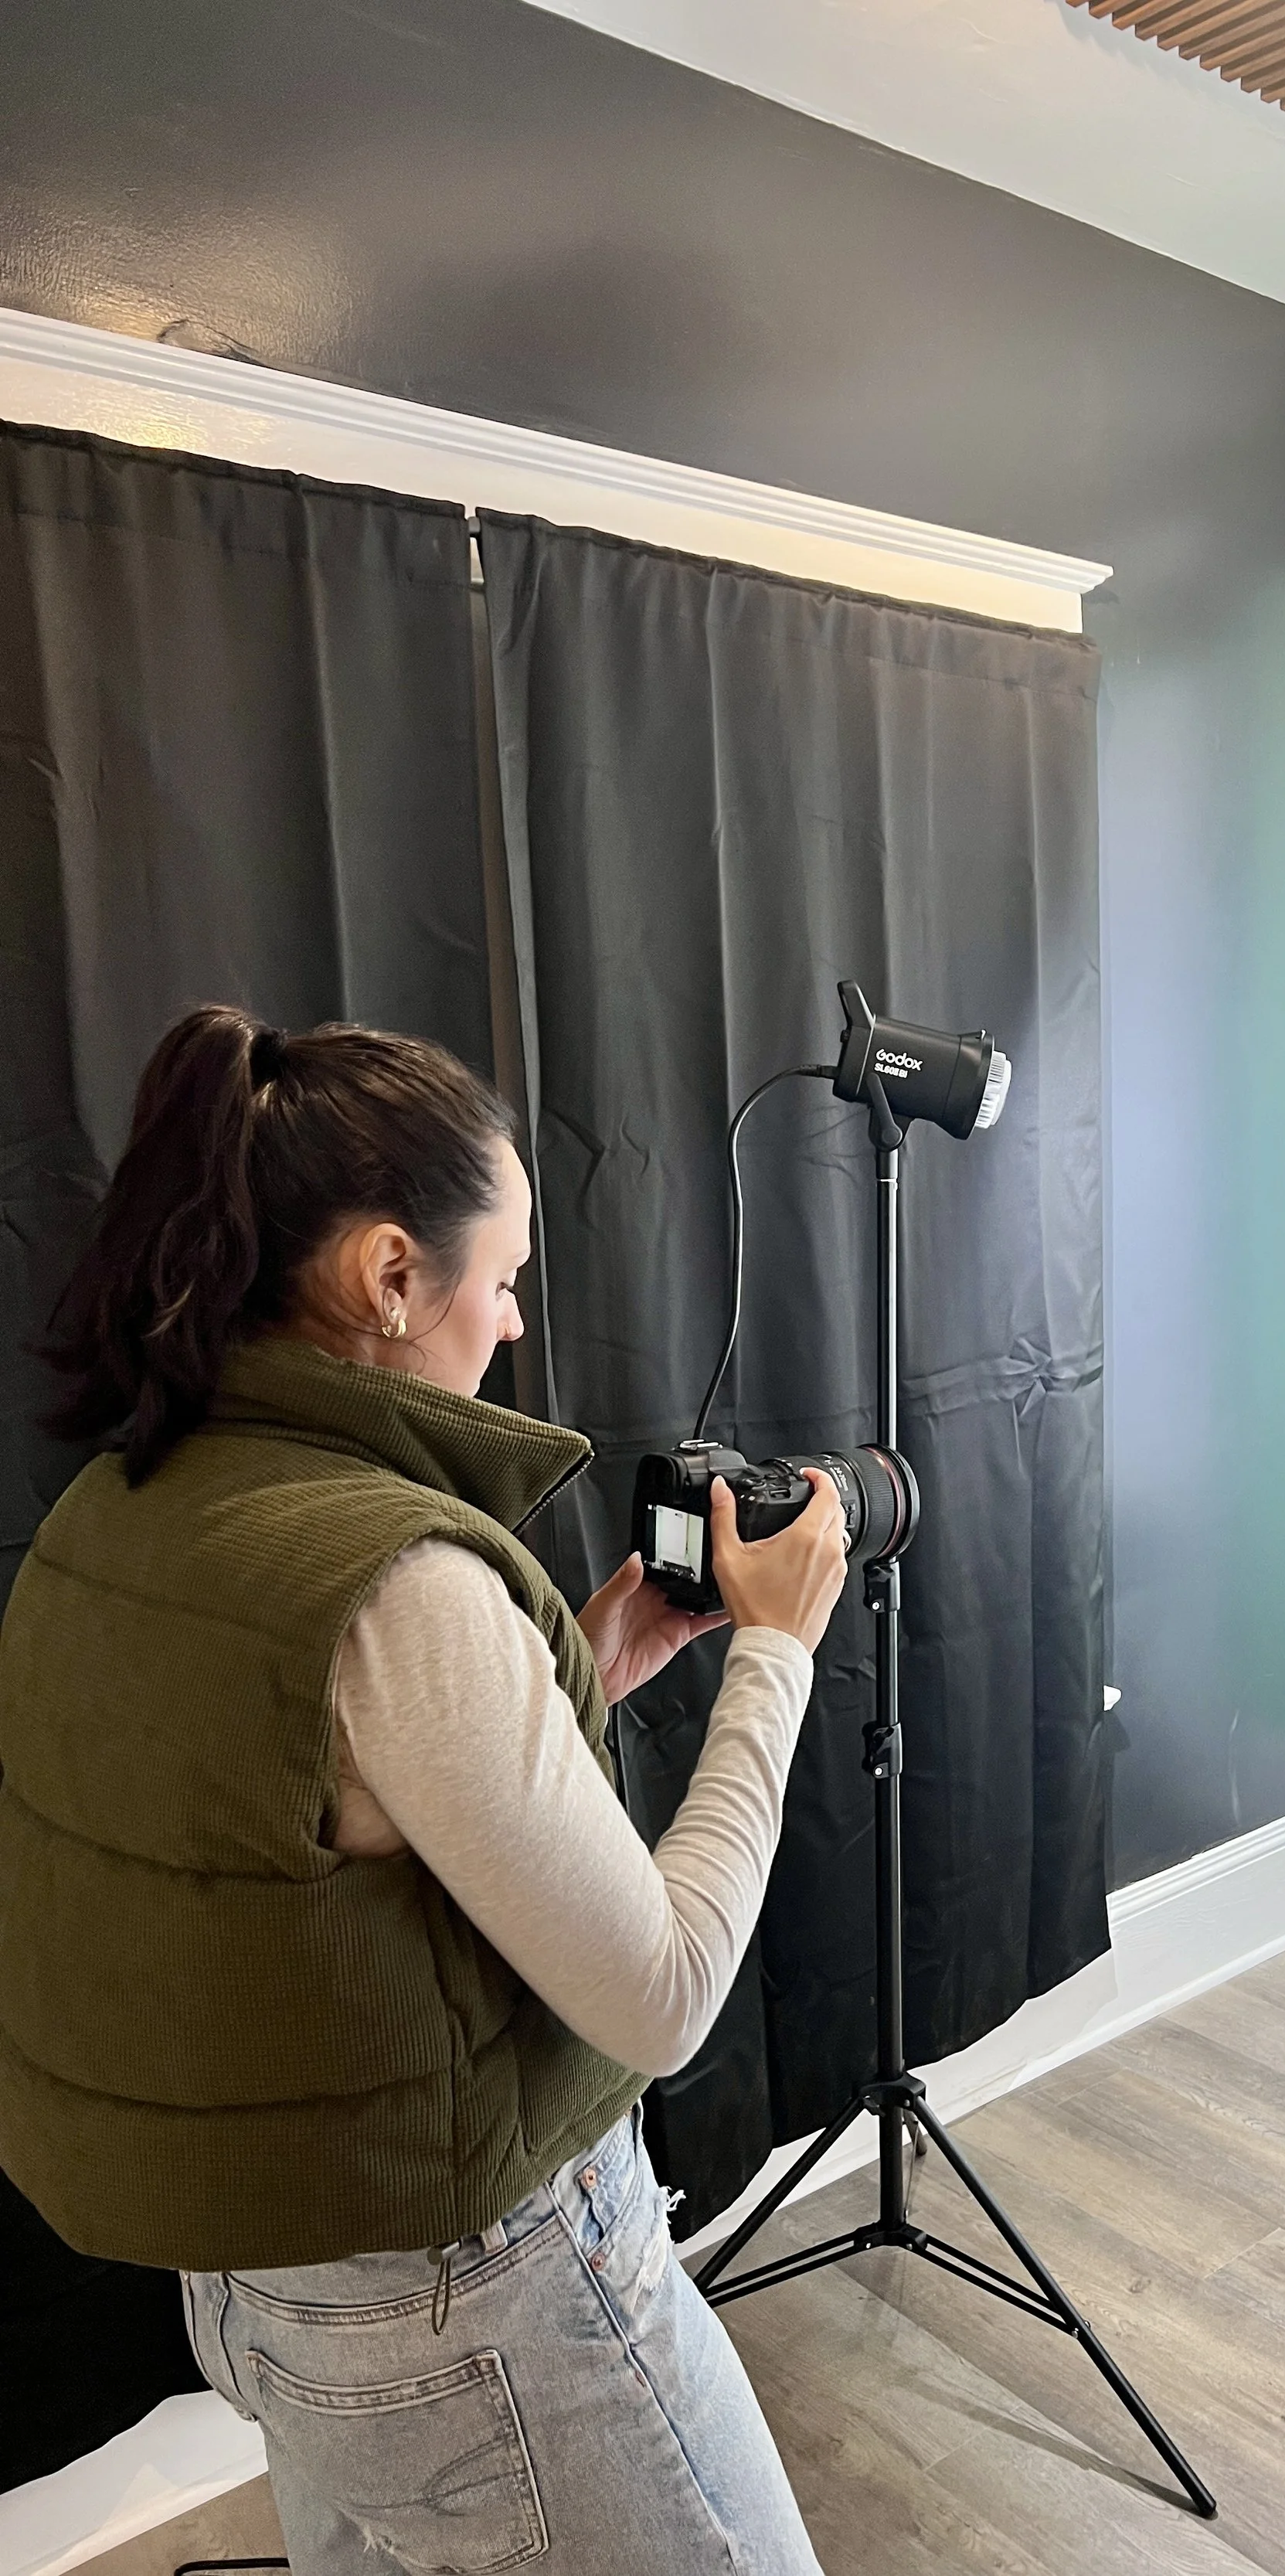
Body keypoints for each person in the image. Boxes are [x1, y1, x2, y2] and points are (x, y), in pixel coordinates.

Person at [0, 1007, 849, 2575]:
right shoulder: (400, 1582)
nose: (516, 1322)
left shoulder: (118, 1514)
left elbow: (316, 1826)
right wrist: (776, 1652)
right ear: (393, 1275)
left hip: (262, 2296)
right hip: (472, 2314)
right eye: (507, 1276)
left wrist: (585, 1658)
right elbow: (659, 1993)